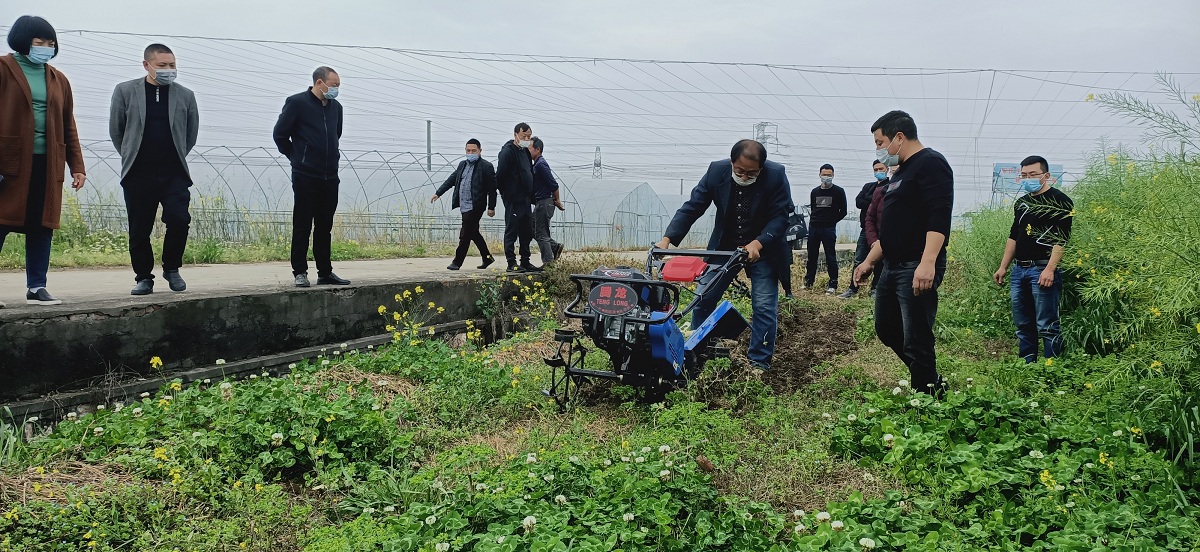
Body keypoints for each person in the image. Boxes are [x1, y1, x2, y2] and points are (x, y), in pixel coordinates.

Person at [657, 139, 792, 370]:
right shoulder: (716, 171)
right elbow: (693, 207)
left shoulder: (776, 175)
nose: (745, 176)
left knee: (764, 306)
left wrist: (758, 244)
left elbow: (780, 217)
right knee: (703, 298)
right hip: (725, 244)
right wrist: (667, 239)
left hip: (764, 248)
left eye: (752, 173)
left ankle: (758, 363)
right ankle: (694, 351)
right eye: (740, 171)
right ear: (731, 162)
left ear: (762, 168)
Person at [854, 110, 953, 395]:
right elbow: (893, 228)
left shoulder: (931, 163)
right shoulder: (901, 172)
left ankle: (928, 397)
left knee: (917, 337)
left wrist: (927, 263)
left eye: (879, 141)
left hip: (916, 264)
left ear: (899, 137)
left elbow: (938, 216)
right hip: (892, 265)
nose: (878, 149)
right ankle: (930, 377)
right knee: (886, 329)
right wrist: (869, 261)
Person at [0, 16, 85, 307]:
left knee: (41, 224)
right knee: (1, 221)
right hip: (7, 163)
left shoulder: (58, 79)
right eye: (39, 43)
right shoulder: (2, 69)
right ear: (23, 42)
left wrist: (77, 166)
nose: (46, 48)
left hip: (47, 164)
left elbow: (68, 125)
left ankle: (37, 286)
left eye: (51, 44)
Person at [109, 43, 200, 296]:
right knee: (139, 228)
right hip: (138, 172)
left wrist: (174, 156)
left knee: (180, 219)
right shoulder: (125, 91)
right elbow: (117, 131)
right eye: (162, 65)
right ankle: (143, 277)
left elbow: (190, 135)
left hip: (173, 173)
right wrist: (131, 155)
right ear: (147, 65)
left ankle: (172, 268)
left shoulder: (186, 95)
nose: (168, 70)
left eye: (172, 65)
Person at [273, 66, 350, 288]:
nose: (336, 90)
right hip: (305, 174)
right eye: (333, 85)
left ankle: (325, 271)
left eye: (338, 86)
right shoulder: (297, 103)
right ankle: (300, 271)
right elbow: (280, 134)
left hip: (330, 175)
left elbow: (336, 134)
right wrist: (297, 157)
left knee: (324, 226)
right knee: (303, 224)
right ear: (319, 83)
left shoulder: (337, 108)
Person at [993, 156, 1072, 362]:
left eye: (1033, 175)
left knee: (1047, 324)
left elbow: (1062, 239)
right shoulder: (1022, 203)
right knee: (1023, 324)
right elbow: (1014, 236)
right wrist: (1003, 267)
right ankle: (1028, 365)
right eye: (1024, 175)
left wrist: (1050, 269)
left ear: (1046, 176)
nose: (1028, 178)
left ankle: (1050, 368)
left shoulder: (1060, 201)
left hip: (1042, 269)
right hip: (1020, 270)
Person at [432, 138, 497, 270]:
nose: (471, 153)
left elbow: (492, 189)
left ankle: (457, 262)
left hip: (476, 205)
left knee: (465, 234)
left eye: (474, 150)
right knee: (473, 232)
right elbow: (452, 180)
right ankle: (487, 257)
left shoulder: (486, 166)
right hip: (464, 205)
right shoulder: (462, 164)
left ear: (480, 151)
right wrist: (438, 193)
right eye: (468, 150)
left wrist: (491, 207)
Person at [839, 160, 889, 298]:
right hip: (865, 230)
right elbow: (858, 202)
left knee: (879, 262)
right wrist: (873, 199)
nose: (878, 172)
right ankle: (852, 289)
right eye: (876, 169)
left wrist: (871, 199)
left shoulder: (891, 186)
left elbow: (871, 203)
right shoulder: (869, 186)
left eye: (881, 169)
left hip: (883, 232)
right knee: (859, 259)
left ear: (887, 169)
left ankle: (875, 290)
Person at [496, 123, 538, 272]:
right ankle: (511, 263)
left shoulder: (525, 152)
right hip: (513, 199)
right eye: (523, 136)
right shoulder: (508, 152)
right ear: (515, 135)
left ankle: (525, 261)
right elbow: (500, 176)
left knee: (526, 231)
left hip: (526, 199)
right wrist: (507, 194)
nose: (526, 139)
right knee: (512, 231)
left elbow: (529, 172)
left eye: (528, 136)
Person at [803, 164, 846, 294]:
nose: (826, 177)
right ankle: (808, 282)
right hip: (814, 227)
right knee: (811, 256)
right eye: (824, 174)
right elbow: (814, 209)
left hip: (828, 228)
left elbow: (843, 211)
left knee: (830, 257)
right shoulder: (815, 191)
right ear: (819, 174)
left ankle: (833, 284)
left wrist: (832, 221)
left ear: (833, 175)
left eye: (829, 175)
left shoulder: (838, 191)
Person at [529, 137, 565, 264]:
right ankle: (554, 247)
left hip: (544, 202)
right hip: (541, 202)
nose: (528, 150)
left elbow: (553, 184)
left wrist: (557, 200)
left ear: (537, 150)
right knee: (532, 228)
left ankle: (548, 263)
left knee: (541, 234)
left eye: (529, 148)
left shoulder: (541, 164)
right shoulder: (536, 164)